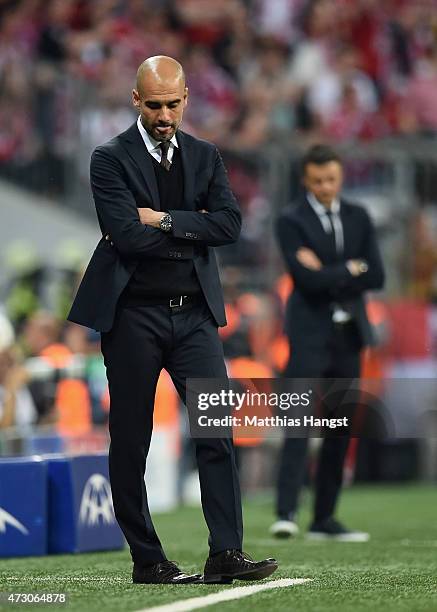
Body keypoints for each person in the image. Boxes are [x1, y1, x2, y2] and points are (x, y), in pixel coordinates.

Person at [68, 55, 277, 585]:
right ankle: (148, 559)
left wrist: (161, 220)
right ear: (136, 101)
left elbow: (229, 225)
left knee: (217, 430)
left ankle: (225, 552)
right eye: (155, 105)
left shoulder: (206, 155)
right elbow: (124, 233)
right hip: (133, 317)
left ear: (186, 99)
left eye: (173, 103)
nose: (165, 114)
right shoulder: (108, 158)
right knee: (132, 438)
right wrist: (192, 228)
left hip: (194, 319)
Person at [270, 144, 385, 541]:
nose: (325, 187)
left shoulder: (359, 217)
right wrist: (350, 269)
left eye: (331, 179)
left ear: (341, 178)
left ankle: (324, 518)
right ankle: (286, 512)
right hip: (307, 335)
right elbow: (305, 281)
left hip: (348, 336)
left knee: (339, 425)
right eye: (317, 180)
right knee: (297, 422)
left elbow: (377, 275)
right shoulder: (290, 221)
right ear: (305, 179)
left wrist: (330, 271)